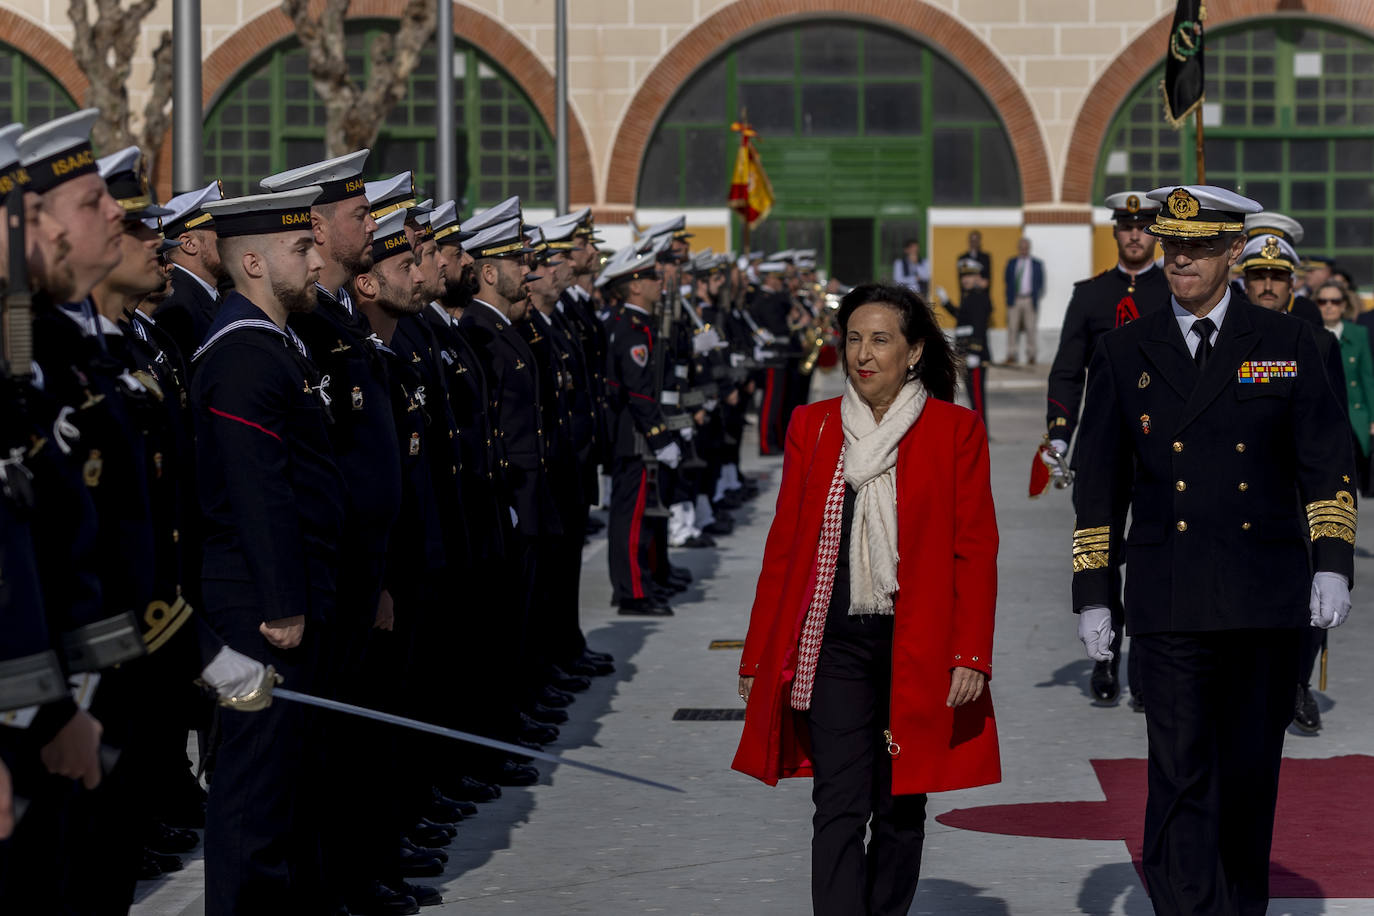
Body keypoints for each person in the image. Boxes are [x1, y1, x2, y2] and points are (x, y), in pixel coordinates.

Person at [1072, 185, 1354, 916]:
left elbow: (1325, 464)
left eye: (1198, 247)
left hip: (1265, 596)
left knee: (1250, 776)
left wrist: (1331, 561)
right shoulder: (1125, 347)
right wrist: (1095, 591)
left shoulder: (1289, 345)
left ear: (1235, 250)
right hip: (1171, 597)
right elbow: (1099, 487)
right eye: (1172, 246)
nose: (1181, 259)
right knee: (1179, 774)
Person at [733, 282, 999, 916]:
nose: (863, 353)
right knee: (839, 804)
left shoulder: (953, 431)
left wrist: (970, 654)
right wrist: (757, 655)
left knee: (902, 807)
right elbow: (783, 550)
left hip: (920, 651)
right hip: (836, 647)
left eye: (881, 339)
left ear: (913, 353)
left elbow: (976, 552)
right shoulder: (815, 425)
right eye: (854, 338)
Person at [1044, 190, 1170, 706]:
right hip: (1103, 443)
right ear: (1115, 232)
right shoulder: (1092, 295)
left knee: (1154, 554)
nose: (1135, 234)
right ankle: (1104, 657)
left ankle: (1145, 661)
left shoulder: (1176, 289)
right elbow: (1068, 369)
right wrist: (1059, 433)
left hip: (1162, 441)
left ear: (1155, 233)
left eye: (1143, 227)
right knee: (1100, 550)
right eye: (1126, 226)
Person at [943, 258, 991, 427]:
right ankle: (978, 428)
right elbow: (962, 317)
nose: (965, 279)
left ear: (977, 276)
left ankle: (982, 429)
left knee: (977, 396)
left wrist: (975, 352)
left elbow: (979, 326)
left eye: (969, 275)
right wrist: (946, 303)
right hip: (965, 352)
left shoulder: (980, 297)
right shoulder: (968, 297)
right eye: (963, 276)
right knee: (971, 394)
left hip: (974, 354)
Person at [1002, 237, 1044, 365]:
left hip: (1029, 299)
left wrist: (1035, 296)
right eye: (1021, 247)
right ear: (1018, 248)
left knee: (1031, 329)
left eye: (1026, 248)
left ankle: (1031, 355)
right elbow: (1006, 280)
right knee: (1012, 328)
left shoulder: (1036, 264)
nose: (1023, 250)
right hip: (1015, 300)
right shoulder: (1012, 262)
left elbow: (1040, 282)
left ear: (1029, 248)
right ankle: (1011, 354)